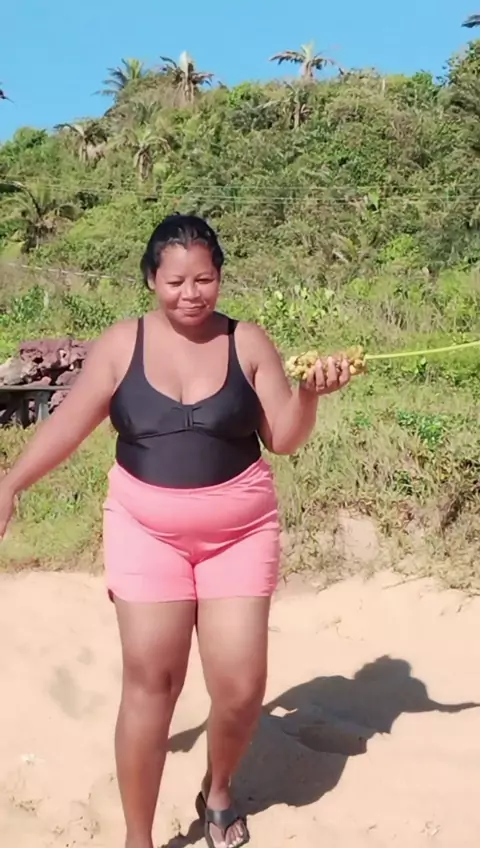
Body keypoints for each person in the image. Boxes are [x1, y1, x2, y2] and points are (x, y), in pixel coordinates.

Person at [0, 214, 350, 848]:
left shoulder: (248, 342)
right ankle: (138, 837)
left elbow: (284, 438)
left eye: (204, 279)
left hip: (240, 534)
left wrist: (309, 394)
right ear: (151, 281)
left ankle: (218, 789)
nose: (191, 294)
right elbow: (68, 424)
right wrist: (11, 483)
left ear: (220, 277)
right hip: (146, 531)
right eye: (176, 282)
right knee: (152, 684)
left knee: (240, 687)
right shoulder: (120, 345)